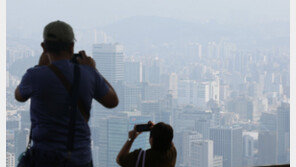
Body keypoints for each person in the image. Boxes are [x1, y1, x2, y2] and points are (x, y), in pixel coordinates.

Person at [15, 20, 118, 167]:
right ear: (72, 46)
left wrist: (40, 65)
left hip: (43, 159)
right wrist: (93, 69)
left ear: (44, 47)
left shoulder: (34, 76)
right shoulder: (88, 74)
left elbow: (19, 96)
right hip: (79, 159)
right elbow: (112, 101)